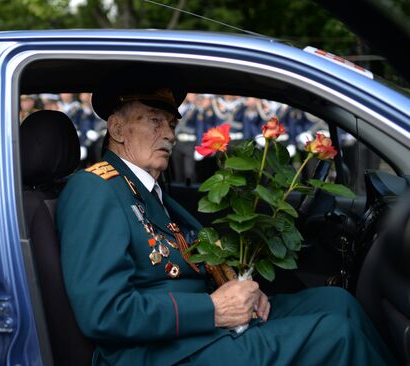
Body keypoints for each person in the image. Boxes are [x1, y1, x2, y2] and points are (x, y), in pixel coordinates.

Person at [55, 67, 395, 366]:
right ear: (117, 128)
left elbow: (188, 261)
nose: (170, 134)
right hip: (156, 352)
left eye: (171, 124)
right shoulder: (95, 189)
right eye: (155, 121)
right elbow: (104, 313)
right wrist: (213, 310)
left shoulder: (148, 191)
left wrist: (238, 291)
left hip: (194, 334)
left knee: (337, 302)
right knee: (334, 334)